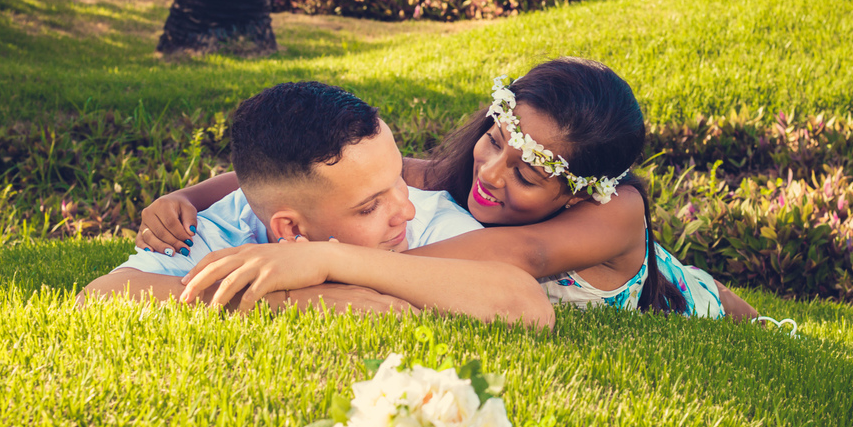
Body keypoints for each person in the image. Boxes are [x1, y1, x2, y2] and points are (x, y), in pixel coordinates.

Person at [141, 59, 756, 321]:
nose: (490, 174)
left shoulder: (616, 212)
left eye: (527, 174)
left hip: (669, 292)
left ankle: (767, 326)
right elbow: (315, 174)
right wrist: (190, 200)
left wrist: (326, 260)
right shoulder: (466, 174)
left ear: (577, 193)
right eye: (495, 142)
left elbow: (527, 258)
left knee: (725, 309)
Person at [79, 81, 555, 329]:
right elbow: (100, 295)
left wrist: (332, 258)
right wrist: (299, 301)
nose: (404, 210)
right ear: (287, 229)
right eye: (369, 206)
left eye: (397, 182)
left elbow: (527, 308)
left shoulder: (428, 220)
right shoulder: (221, 226)